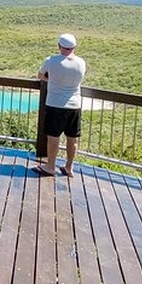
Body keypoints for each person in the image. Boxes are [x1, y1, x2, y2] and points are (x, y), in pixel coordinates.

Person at [34, 33, 87, 178]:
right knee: (72, 138)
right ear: (74, 47)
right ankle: (69, 167)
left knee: (53, 137)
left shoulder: (51, 61)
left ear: (59, 46)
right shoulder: (81, 63)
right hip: (74, 105)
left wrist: (51, 80)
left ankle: (50, 166)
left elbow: (40, 75)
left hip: (55, 103)